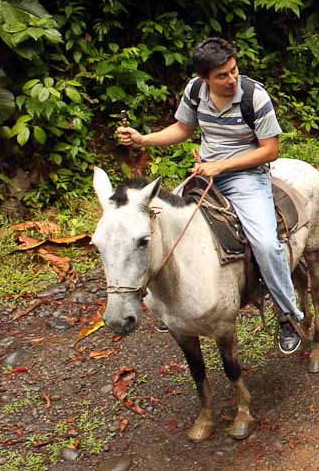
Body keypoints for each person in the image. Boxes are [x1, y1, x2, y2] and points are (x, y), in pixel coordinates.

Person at [116, 37, 303, 354]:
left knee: (266, 244)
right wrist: (142, 140)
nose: (231, 80)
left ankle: (287, 313)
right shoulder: (194, 92)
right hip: (205, 173)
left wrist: (222, 166)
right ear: (205, 78)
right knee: (156, 222)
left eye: (234, 71)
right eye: (222, 76)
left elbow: (270, 150)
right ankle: (167, 306)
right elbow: (182, 129)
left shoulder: (253, 96)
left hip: (246, 176)